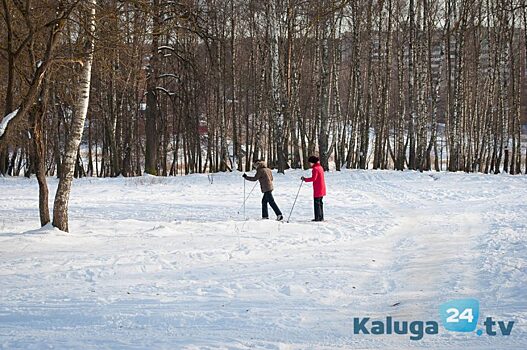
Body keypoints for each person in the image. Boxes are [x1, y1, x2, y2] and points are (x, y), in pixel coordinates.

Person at [301, 156, 326, 221]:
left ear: (312, 162)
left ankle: (317, 218)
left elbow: (313, 178)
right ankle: (321, 217)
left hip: (318, 188)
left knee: (317, 203)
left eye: (310, 162)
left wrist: (305, 179)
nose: (309, 164)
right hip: (322, 187)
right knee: (320, 203)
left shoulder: (315, 169)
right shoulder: (320, 167)